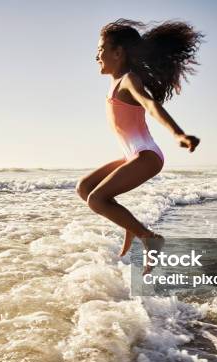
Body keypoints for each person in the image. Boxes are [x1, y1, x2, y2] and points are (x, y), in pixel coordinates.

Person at [76, 19, 202, 263]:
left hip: (147, 156)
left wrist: (177, 133)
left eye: (100, 49)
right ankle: (131, 226)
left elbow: (150, 104)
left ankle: (148, 237)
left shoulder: (129, 80)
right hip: (132, 155)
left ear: (118, 52)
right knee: (85, 187)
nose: (96, 55)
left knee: (97, 199)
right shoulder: (115, 83)